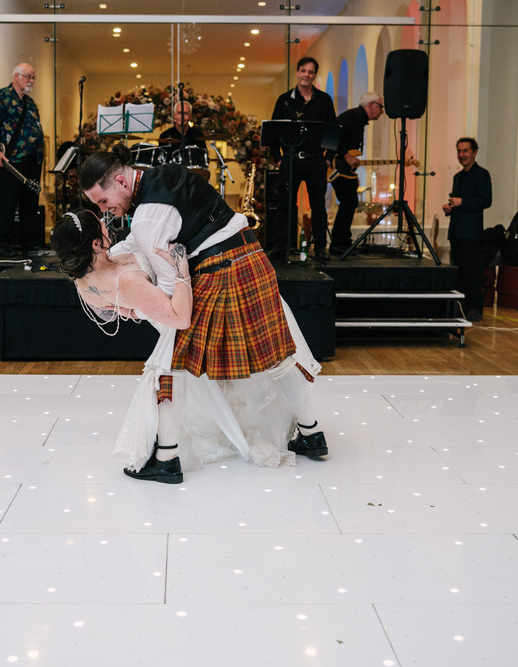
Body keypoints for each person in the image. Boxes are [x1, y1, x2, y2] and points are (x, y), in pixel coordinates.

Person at [75, 145, 329, 483]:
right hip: (251, 256)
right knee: (276, 352)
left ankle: (166, 459)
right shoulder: (161, 175)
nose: (104, 210)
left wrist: (133, 306)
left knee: (173, 360)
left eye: (103, 201)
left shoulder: (148, 214)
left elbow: (170, 293)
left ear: (120, 181)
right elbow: (142, 239)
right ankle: (311, 434)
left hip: (220, 270)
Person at [269, 56, 338, 261]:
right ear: (297, 73)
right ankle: (282, 247)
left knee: (318, 206)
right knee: (285, 205)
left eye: (310, 72)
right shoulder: (284, 100)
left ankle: (320, 248)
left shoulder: (323, 100)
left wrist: (328, 159)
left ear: (314, 75)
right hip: (290, 160)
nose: (306, 75)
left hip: (316, 160)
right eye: (303, 71)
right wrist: (278, 159)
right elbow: (273, 131)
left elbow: (333, 131)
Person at [0, 62, 45, 257]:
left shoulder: (31, 103)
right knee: (8, 201)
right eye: (28, 76)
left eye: (33, 77)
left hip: (33, 160)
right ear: (16, 76)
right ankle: (1, 244)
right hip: (11, 160)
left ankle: (30, 243)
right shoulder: (1, 96)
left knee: (30, 202)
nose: (31, 81)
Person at [329, 92, 385, 257]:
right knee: (349, 202)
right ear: (371, 105)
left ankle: (343, 242)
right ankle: (339, 243)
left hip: (343, 167)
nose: (382, 111)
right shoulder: (355, 117)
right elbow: (334, 132)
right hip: (338, 165)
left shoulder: (357, 118)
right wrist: (346, 155)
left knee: (350, 202)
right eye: (380, 107)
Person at [442, 137, 492, 321]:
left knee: (471, 271)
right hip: (456, 230)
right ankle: (461, 306)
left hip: (470, 232)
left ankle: (474, 307)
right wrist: (449, 209)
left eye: (465, 151)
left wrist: (462, 202)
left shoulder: (482, 174)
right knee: (459, 271)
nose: (462, 155)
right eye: (459, 151)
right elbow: (458, 203)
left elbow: (486, 201)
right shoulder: (458, 176)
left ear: (474, 153)